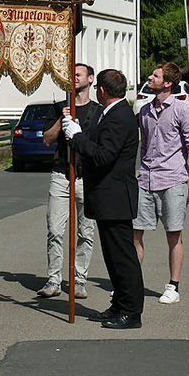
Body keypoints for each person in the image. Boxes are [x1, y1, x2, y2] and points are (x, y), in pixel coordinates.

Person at [62, 68, 145, 329]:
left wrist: (76, 137)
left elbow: (102, 156)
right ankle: (119, 304)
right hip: (108, 197)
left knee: (123, 258)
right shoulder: (111, 113)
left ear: (101, 90)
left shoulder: (119, 116)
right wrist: (80, 133)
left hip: (116, 196)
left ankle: (131, 312)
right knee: (112, 256)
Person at [133, 62, 189, 305]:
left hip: (173, 180)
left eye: (155, 76)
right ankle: (132, 283)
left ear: (167, 83)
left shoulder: (182, 110)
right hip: (145, 179)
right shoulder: (144, 111)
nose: (149, 78)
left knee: (173, 235)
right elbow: (142, 146)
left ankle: (173, 286)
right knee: (135, 233)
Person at [38, 63, 102, 300]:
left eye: (79, 74)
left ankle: (79, 280)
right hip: (61, 175)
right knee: (55, 229)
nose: (74, 78)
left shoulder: (97, 111)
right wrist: (61, 119)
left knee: (86, 231)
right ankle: (54, 279)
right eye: (71, 74)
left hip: (87, 176)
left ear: (90, 79)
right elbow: (47, 139)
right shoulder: (58, 108)